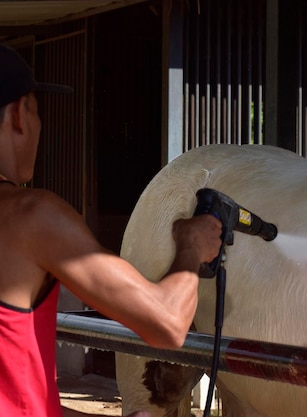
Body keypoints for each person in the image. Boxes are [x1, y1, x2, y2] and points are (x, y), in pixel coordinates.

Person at [0, 43, 222, 417]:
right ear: (21, 115)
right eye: (38, 111)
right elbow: (167, 323)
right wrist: (191, 247)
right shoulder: (31, 216)